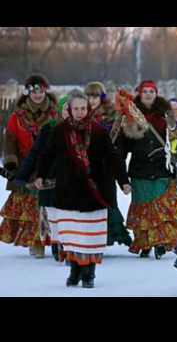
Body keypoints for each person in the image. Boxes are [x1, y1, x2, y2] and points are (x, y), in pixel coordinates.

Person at [35, 89, 130, 288]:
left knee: (90, 235)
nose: (80, 112)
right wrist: (41, 176)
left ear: (88, 109)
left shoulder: (97, 130)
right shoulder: (59, 131)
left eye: (83, 108)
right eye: (76, 108)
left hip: (94, 192)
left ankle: (89, 273)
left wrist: (123, 180)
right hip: (68, 191)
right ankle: (75, 269)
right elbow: (46, 155)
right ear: (69, 109)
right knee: (72, 235)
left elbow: (113, 157)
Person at [115, 81, 177, 259]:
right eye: (145, 91)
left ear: (156, 93)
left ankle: (161, 243)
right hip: (140, 171)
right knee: (143, 209)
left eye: (151, 91)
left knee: (164, 209)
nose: (148, 94)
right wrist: (122, 179)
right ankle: (145, 243)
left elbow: (174, 142)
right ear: (139, 94)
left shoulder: (165, 114)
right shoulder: (129, 116)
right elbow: (121, 150)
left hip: (163, 169)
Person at [0, 74, 58, 258]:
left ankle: (53, 241)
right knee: (30, 207)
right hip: (26, 166)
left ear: (45, 90)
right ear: (28, 93)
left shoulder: (55, 113)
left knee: (48, 206)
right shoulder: (17, 116)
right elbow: (10, 139)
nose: (37, 94)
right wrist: (11, 163)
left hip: (48, 166)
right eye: (33, 90)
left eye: (40, 90)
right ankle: (36, 242)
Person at [13, 95, 69, 261]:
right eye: (66, 108)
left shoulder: (85, 129)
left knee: (69, 213)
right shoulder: (49, 129)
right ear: (60, 110)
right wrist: (22, 175)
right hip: (50, 179)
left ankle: (69, 245)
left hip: (73, 180)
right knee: (52, 213)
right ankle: (55, 244)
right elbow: (36, 153)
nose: (70, 112)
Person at [85, 82, 132, 247]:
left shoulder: (112, 117)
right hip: (87, 167)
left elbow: (119, 147)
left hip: (106, 167)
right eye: (89, 96)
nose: (92, 100)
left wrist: (123, 179)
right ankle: (90, 239)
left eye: (95, 96)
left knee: (108, 202)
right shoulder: (81, 114)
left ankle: (111, 235)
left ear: (102, 97)